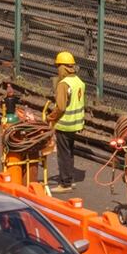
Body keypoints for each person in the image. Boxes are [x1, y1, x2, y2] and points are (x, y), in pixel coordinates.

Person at [47, 51, 86, 194]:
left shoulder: (64, 84)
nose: (57, 69)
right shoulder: (79, 82)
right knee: (69, 152)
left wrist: (50, 117)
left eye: (58, 66)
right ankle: (69, 179)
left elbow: (61, 107)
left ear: (63, 67)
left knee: (63, 154)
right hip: (76, 124)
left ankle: (65, 184)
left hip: (65, 124)